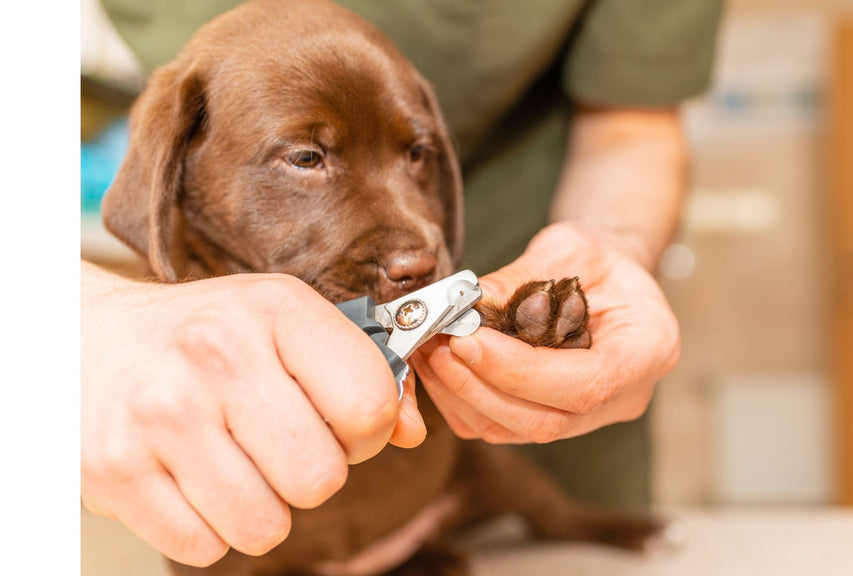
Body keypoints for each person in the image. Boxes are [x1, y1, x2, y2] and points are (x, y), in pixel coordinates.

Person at [84, 0, 723, 567]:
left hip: (482, 437)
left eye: (414, 155)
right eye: (308, 157)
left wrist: (610, 249)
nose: (412, 244)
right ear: (173, 168)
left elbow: (631, 124)